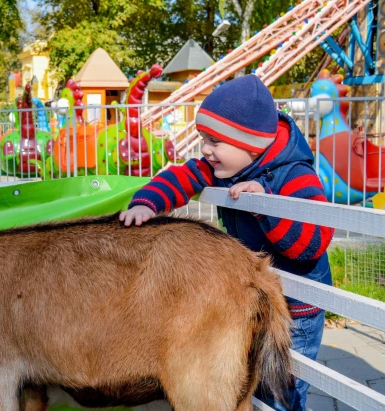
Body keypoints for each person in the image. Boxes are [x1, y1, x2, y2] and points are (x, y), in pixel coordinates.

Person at [120, 75, 334, 411]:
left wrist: (267, 205)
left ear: (250, 143)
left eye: (214, 141)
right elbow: (181, 175)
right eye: (204, 139)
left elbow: (312, 243)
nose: (205, 149)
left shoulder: (294, 175)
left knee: (280, 391)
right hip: (255, 299)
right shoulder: (227, 165)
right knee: (250, 382)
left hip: (296, 311)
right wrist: (146, 203)